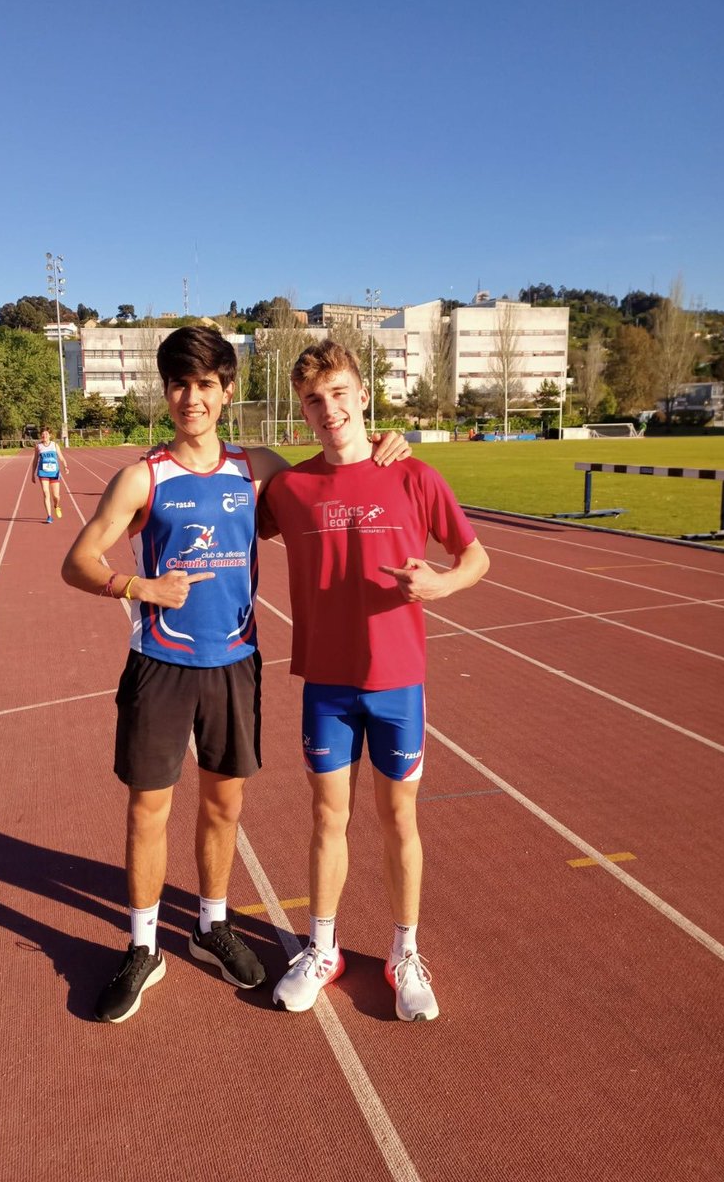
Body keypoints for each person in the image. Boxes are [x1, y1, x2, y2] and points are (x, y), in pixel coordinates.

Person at [61, 326, 409, 1023]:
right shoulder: (144, 477)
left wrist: (384, 444)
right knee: (148, 810)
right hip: (160, 664)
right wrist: (138, 587)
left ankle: (211, 925)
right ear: (167, 393)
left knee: (224, 806)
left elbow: (332, 476)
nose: (191, 398)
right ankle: (143, 947)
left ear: (226, 392)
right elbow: (78, 562)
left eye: (205, 385)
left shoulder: (258, 470)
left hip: (235, 664)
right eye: (179, 385)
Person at [260, 340, 489, 1023]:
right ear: (303, 412)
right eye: (313, 400)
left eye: (338, 394)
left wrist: (443, 584)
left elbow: (475, 556)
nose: (328, 409)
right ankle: (323, 949)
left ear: (363, 396)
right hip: (327, 687)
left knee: (398, 820)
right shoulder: (290, 490)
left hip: (397, 684)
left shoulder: (414, 476)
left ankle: (403, 954)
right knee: (327, 818)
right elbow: (236, 476)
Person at [30, 428, 69, 523]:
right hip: (43, 472)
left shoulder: (54, 445)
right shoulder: (38, 446)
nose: (44, 436)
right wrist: (33, 474)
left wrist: (65, 466)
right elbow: (35, 460)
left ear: (50, 436)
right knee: (46, 493)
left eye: (46, 434)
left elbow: (61, 457)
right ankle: (49, 516)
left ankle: (56, 505)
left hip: (54, 473)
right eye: (43, 434)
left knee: (56, 496)